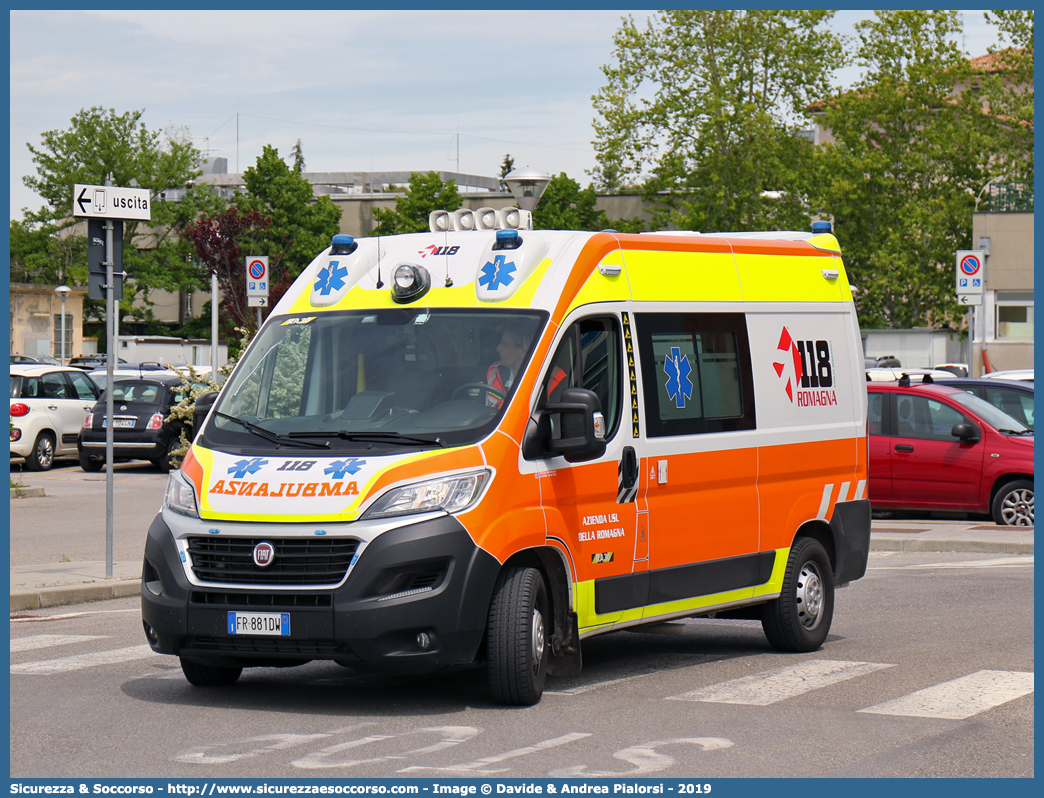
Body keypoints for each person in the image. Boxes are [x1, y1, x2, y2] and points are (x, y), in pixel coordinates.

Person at [485, 325, 567, 410]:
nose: (498, 349)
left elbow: (553, 420)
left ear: (523, 351)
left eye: (504, 344)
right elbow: (479, 407)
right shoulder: (494, 371)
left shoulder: (552, 379)